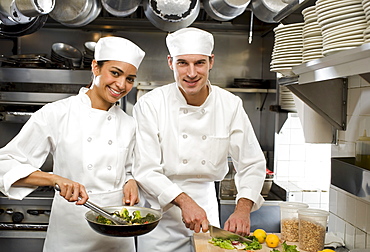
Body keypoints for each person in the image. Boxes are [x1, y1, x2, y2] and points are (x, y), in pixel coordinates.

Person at [0, 36, 145, 252]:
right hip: (71, 232)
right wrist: (53, 179)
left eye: (130, 79)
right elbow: (5, 163)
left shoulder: (129, 123)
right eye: (115, 73)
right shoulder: (56, 113)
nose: (122, 85)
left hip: (117, 234)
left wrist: (131, 181)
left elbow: (128, 169)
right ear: (95, 67)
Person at [132, 27, 266, 252]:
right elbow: (146, 170)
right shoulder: (150, 105)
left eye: (199, 63)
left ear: (211, 62)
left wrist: (243, 208)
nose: (191, 73)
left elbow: (251, 162)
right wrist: (184, 201)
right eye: (182, 63)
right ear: (170, 63)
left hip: (206, 211)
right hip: (160, 218)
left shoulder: (229, 105)